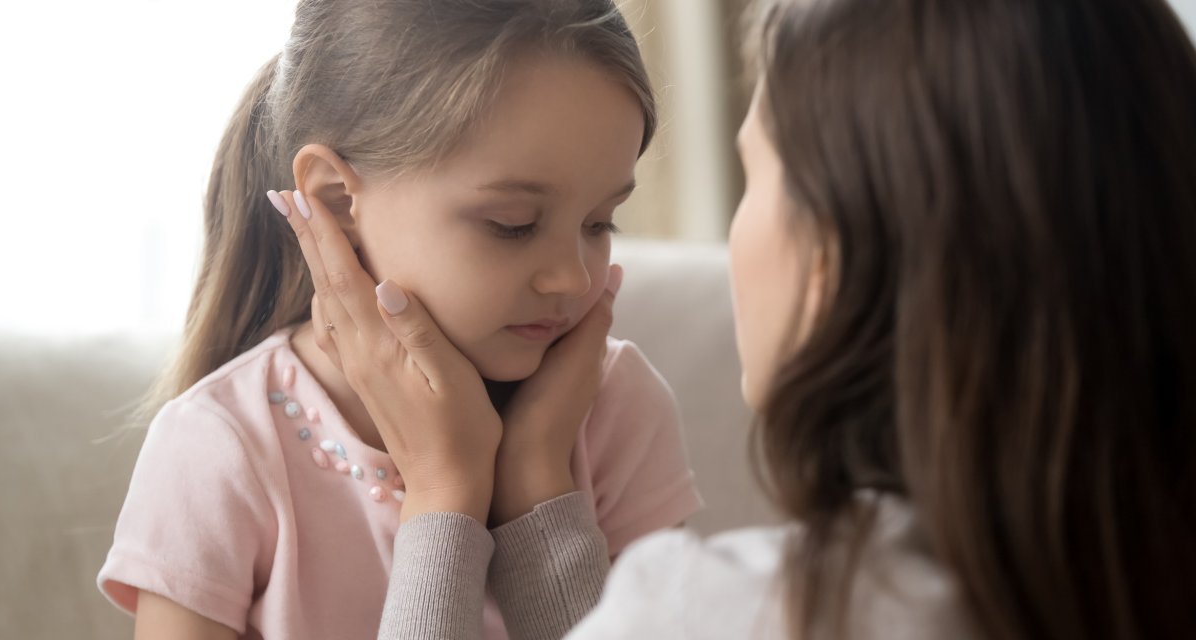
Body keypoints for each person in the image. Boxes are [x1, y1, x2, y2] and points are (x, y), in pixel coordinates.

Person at [286, 0, 1196, 637]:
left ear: (834, 257)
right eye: (516, 224)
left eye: (757, 176)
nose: (573, 273)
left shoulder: (730, 615)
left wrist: (455, 492)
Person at [95, 1, 703, 638]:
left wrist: (538, 489)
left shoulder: (614, 411)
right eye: (513, 225)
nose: (574, 278)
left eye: (599, 222)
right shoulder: (221, 448)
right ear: (336, 198)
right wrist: (447, 494)